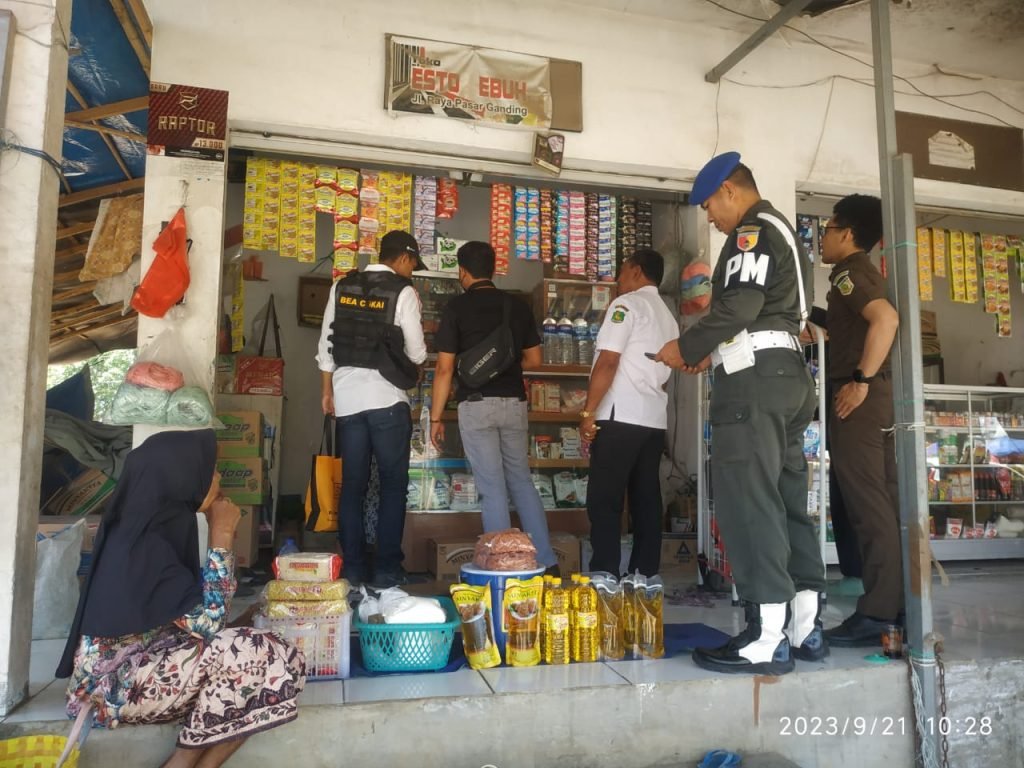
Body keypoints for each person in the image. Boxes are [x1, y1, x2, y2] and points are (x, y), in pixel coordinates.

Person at [656, 152, 827, 675]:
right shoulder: (785, 232)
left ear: (730, 190)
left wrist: (685, 347)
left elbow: (738, 309)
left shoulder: (751, 232)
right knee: (787, 501)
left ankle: (764, 637)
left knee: (750, 503)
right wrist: (710, 352)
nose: (710, 217)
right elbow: (762, 317)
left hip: (756, 384)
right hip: (787, 376)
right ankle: (803, 626)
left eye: (709, 204)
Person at [56, 430, 305, 768]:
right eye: (210, 470)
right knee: (256, 652)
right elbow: (208, 625)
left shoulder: (159, 528)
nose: (217, 478)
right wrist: (222, 534)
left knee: (281, 660)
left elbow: (194, 620)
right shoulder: (141, 546)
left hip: (148, 666)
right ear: (181, 478)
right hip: (110, 689)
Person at [429, 241, 557, 570]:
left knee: (491, 486)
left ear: (463, 271)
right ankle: (546, 561)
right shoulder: (516, 307)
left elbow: (444, 369)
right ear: (493, 268)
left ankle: (505, 564)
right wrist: (505, 365)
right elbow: (536, 360)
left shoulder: (457, 308)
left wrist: (436, 417)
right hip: (514, 403)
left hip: (476, 404)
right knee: (521, 481)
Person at [815, 194, 902, 646]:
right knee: (881, 502)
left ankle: (879, 611)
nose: (821, 238)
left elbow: (884, 319)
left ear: (846, 233)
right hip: (872, 400)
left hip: (859, 401)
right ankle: (897, 604)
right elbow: (853, 323)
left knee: (868, 506)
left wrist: (860, 380)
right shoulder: (855, 276)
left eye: (826, 229)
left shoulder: (851, 272)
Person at [317, 230, 428, 587]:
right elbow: (417, 352)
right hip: (387, 401)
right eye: (413, 264)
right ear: (405, 259)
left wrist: (327, 392)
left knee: (354, 485)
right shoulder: (403, 291)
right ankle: (386, 569)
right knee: (393, 485)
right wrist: (415, 365)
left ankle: (353, 567)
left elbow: (326, 346)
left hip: (347, 400)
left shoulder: (341, 287)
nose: (412, 271)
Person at [582, 248, 679, 577]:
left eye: (622, 271)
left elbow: (608, 361)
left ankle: (605, 573)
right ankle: (644, 574)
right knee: (645, 497)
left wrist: (588, 412)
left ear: (637, 271)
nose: (619, 278)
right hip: (652, 420)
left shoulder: (626, 306)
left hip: (620, 416)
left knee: (604, 498)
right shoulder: (668, 315)